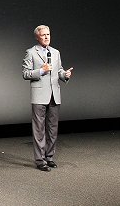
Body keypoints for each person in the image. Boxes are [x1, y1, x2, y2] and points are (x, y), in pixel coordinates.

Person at [22, 24, 73, 171]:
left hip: (54, 95)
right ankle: (40, 160)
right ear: (37, 37)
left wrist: (65, 75)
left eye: (48, 34)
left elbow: (59, 71)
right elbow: (25, 73)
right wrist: (41, 71)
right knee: (39, 130)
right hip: (39, 95)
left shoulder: (56, 52)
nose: (46, 37)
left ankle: (49, 157)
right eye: (43, 35)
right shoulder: (31, 52)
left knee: (53, 129)